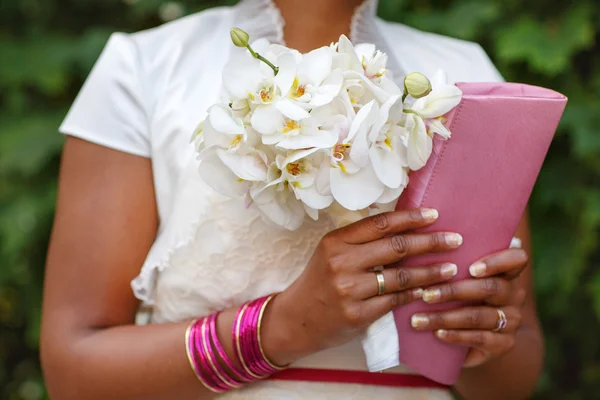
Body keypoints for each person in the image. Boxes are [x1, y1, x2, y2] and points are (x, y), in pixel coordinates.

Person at [40, 0, 544, 399]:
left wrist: (484, 333)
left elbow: (513, 374)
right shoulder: (145, 69)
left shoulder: (461, 77)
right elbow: (75, 373)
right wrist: (278, 330)